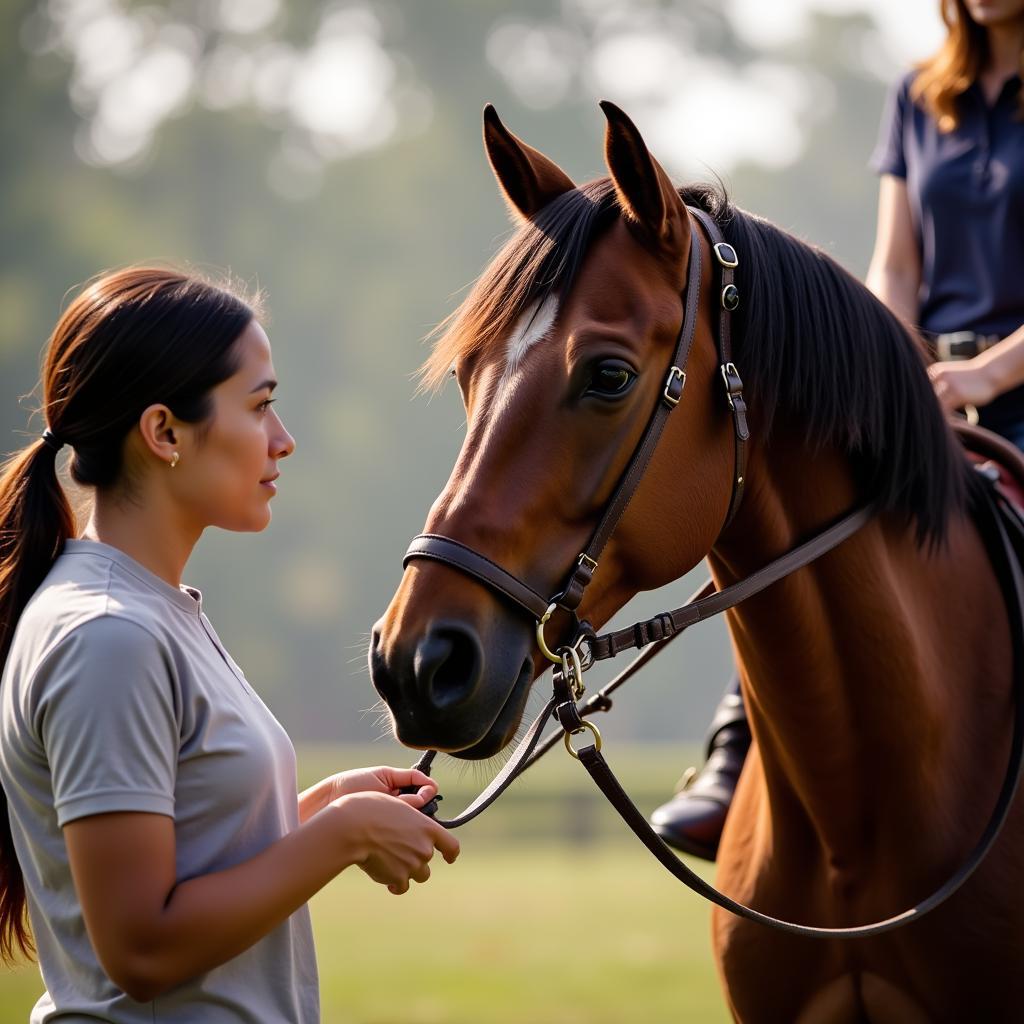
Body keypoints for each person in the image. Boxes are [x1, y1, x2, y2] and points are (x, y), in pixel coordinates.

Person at [0, 267, 460, 1021]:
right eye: (260, 406)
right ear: (164, 432)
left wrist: (316, 811)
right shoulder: (108, 636)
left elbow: (190, 858)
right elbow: (142, 949)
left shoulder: (151, 612)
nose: (284, 440)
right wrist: (340, 838)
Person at [649, 0, 1024, 858]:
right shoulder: (918, 99)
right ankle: (732, 754)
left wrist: (988, 374)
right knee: (795, 520)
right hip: (926, 388)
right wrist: (887, 371)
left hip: (1007, 387)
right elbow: (896, 263)